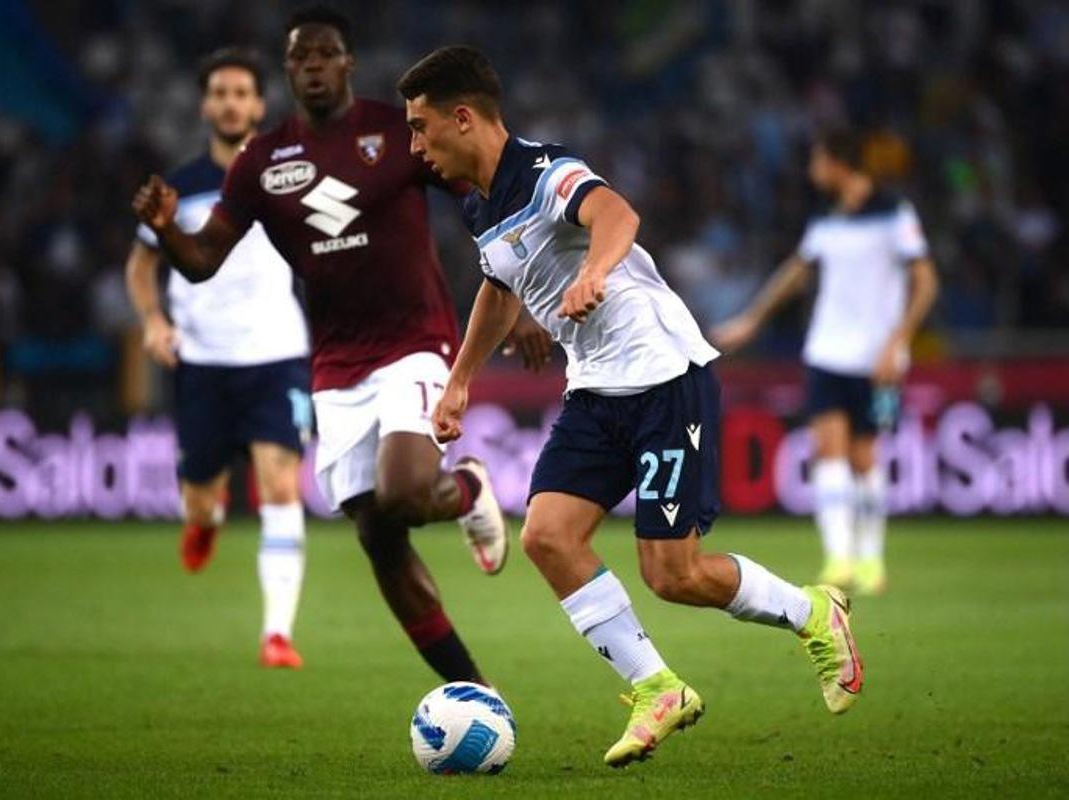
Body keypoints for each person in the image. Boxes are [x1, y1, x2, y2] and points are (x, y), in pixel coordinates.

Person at [397, 45, 863, 768]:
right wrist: (461, 380)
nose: (415, 146)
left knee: (671, 574)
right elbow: (498, 284)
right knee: (547, 537)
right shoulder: (478, 205)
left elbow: (617, 213)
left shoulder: (546, 171)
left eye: (421, 128)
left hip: (663, 376)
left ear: (464, 118)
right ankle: (658, 688)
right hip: (594, 388)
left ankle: (814, 613)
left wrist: (592, 270)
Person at [132, 8, 550, 685]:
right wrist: (167, 233)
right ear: (288, 69)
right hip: (334, 365)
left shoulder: (396, 131)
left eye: (325, 55)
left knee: (408, 489)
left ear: (348, 63)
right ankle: (471, 690)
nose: (313, 67)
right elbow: (205, 256)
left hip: (415, 340)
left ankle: (469, 486)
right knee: (378, 535)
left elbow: (478, 191)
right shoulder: (262, 162)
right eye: (300, 58)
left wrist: (518, 289)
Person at [125, 47, 311, 669]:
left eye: (242, 93)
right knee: (201, 499)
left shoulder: (290, 176)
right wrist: (153, 321)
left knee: (282, 484)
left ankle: (277, 634)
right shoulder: (178, 188)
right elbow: (141, 263)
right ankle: (202, 521)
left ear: (259, 104)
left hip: (278, 357)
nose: (231, 102)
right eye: (220, 93)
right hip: (202, 363)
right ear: (206, 105)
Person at [712, 129, 938, 596]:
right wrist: (752, 319)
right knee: (827, 451)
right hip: (826, 352)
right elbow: (797, 271)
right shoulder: (824, 219)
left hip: (876, 358)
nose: (813, 171)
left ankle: (871, 560)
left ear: (839, 163)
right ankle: (839, 558)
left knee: (864, 456)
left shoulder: (893, 212)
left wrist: (898, 342)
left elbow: (926, 282)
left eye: (818, 161)